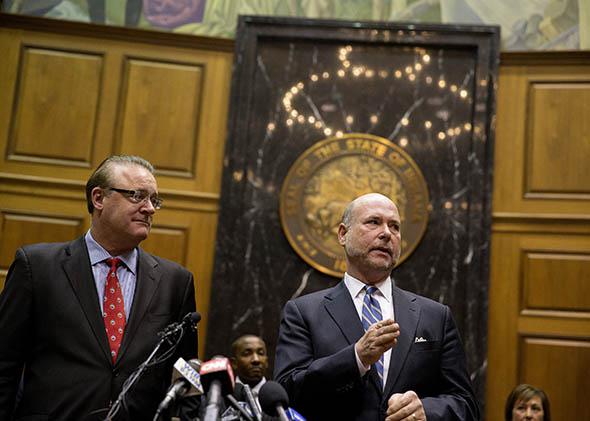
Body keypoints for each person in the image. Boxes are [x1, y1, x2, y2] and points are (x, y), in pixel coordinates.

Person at [0, 155, 198, 420]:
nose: (149, 208)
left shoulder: (176, 281)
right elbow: (4, 365)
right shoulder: (37, 267)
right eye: (137, 195)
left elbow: (186, 380)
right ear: (98, 198)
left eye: (154, 200)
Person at [274, 193, 479, 420]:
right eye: (373, 222)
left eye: (395, 227)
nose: (386, 233)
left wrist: (427, 412)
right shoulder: (303, 313)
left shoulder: (435, 316)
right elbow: (286, 394)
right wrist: (356, 358)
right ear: (343, 234)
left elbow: (466, 404)